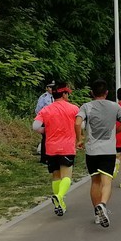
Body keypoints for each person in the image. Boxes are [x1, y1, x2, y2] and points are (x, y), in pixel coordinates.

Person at [75, 79, 121, 227]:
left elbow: (77, 122)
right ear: (106, 92)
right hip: (108, 150)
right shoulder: (115, 106)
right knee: (106, 181)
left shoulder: (86, 106)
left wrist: (79, 139)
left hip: (92, 150)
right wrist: (115, 131)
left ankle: (97, 213)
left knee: (95, 181)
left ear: (92, 92)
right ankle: (103, 205)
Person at [32, 82, 79, 216]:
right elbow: (80, 125)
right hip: (67, 147)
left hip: (51, 147)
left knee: (56, 175)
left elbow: (35, 126)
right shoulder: (73, 109)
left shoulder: (46, 110)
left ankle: (60, 204)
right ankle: (59, 196)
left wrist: (46, 130)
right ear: (64, 94)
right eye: (67, 93)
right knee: (67, 176)